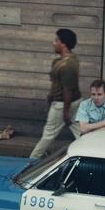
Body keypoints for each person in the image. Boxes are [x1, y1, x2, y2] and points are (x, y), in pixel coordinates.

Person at [29, 28, 82, 159]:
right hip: (74, 101)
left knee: (49, 134)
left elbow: (67, 89)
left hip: (63, 104)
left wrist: (65, 111)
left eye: (56, 40)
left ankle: (32, 160)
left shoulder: (67, 65)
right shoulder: (68, 60)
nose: (54, 43)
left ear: (63, 44)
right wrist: (51, 95)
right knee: (79, 131)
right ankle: (90, 151)